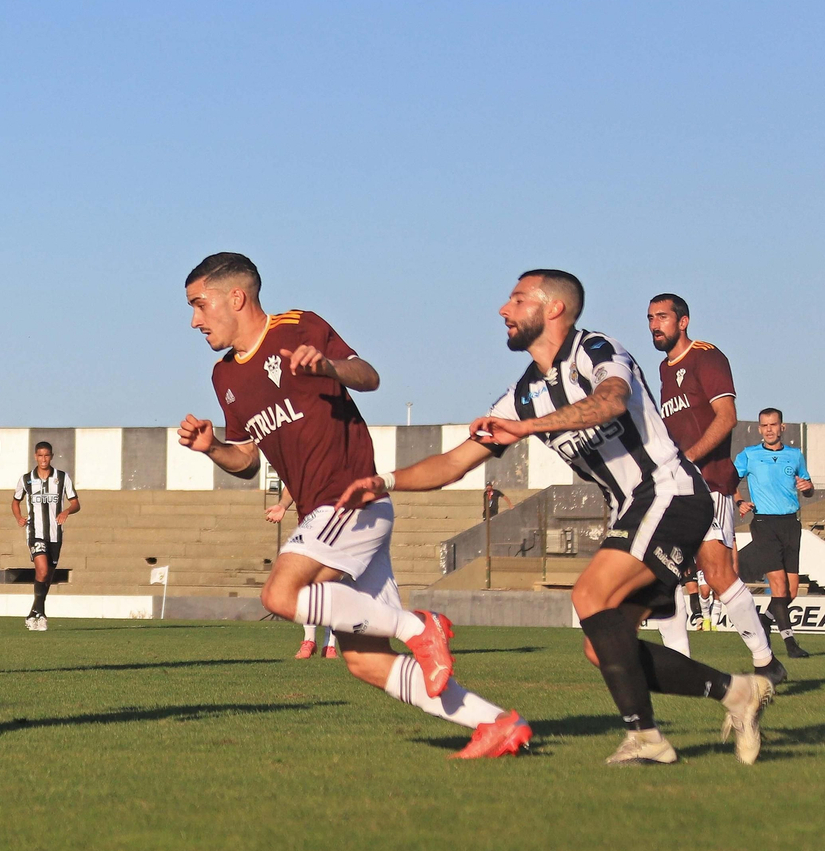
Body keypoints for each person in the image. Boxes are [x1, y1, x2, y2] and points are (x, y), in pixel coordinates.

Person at [342, 270, 772, 765]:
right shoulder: (522, 394)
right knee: (604, 649)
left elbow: (609, 400)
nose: (503, 310)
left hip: (671, 493)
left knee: (588, 595)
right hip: (635, 507)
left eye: (517, 299)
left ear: (553, 309)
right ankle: (738, 692)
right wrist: (384, 481)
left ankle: (647, 738)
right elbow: (454, 462)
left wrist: (523, 429)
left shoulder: (595, 351)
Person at [180, 252, 528, 759]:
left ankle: (420, 627)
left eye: (199, 304)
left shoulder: (298, 326)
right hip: (328, 515)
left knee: (281, 595)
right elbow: (249, 463)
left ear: (236, 297)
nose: (194, 320)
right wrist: (212, 448)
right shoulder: (225, 377)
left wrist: (329, 367)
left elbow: (368, 375)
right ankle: (495, 723)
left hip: (348, 497)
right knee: (364, 661)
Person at [647, 293, 784, 680]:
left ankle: (765, 661)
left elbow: (727, 418)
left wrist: (688, 458)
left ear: (683, 321)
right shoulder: (662, 368)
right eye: (650, 318)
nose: (655, 325)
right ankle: (682, 669)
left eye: (662, 317)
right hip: (676, 485)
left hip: (708, 482)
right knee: (665, 571)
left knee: (718, 573)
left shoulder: (707, 357)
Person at [735, 408, 815, 659]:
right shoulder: (749, 455)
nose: (769, 429)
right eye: (764, 425)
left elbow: (808, 487)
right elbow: (727, 482)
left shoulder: (795, 455)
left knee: (790, 591)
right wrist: (740, 502)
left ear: (782, 427)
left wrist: (808, 487)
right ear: (759, 429)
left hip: (791, 524)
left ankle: (763, 620)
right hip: (764, 523)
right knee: (778, 586)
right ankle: (790, 644)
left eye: (773, 424)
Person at [11, 442, 79, 631]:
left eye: (46, 456)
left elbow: (76, 503)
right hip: (35, 532)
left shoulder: (62, 478)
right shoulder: (26, 480)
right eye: (40, 456)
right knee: (41, 570)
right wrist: (19, 517)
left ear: (51, 456)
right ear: (35, 456)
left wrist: (66, 511)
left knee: (47, 576)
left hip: (55, 534)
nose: (43, 459)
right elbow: (15, 502)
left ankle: (34, 613)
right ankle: (41, 614)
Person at [266, 485, 337, 658]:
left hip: (338, 532)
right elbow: (292, 486)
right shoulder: (305, 464)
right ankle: (309, 640)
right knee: (307, 589)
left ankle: (330, 644)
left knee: (333, 590)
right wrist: (283, 505)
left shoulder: (341, 464)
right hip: (309, 533)